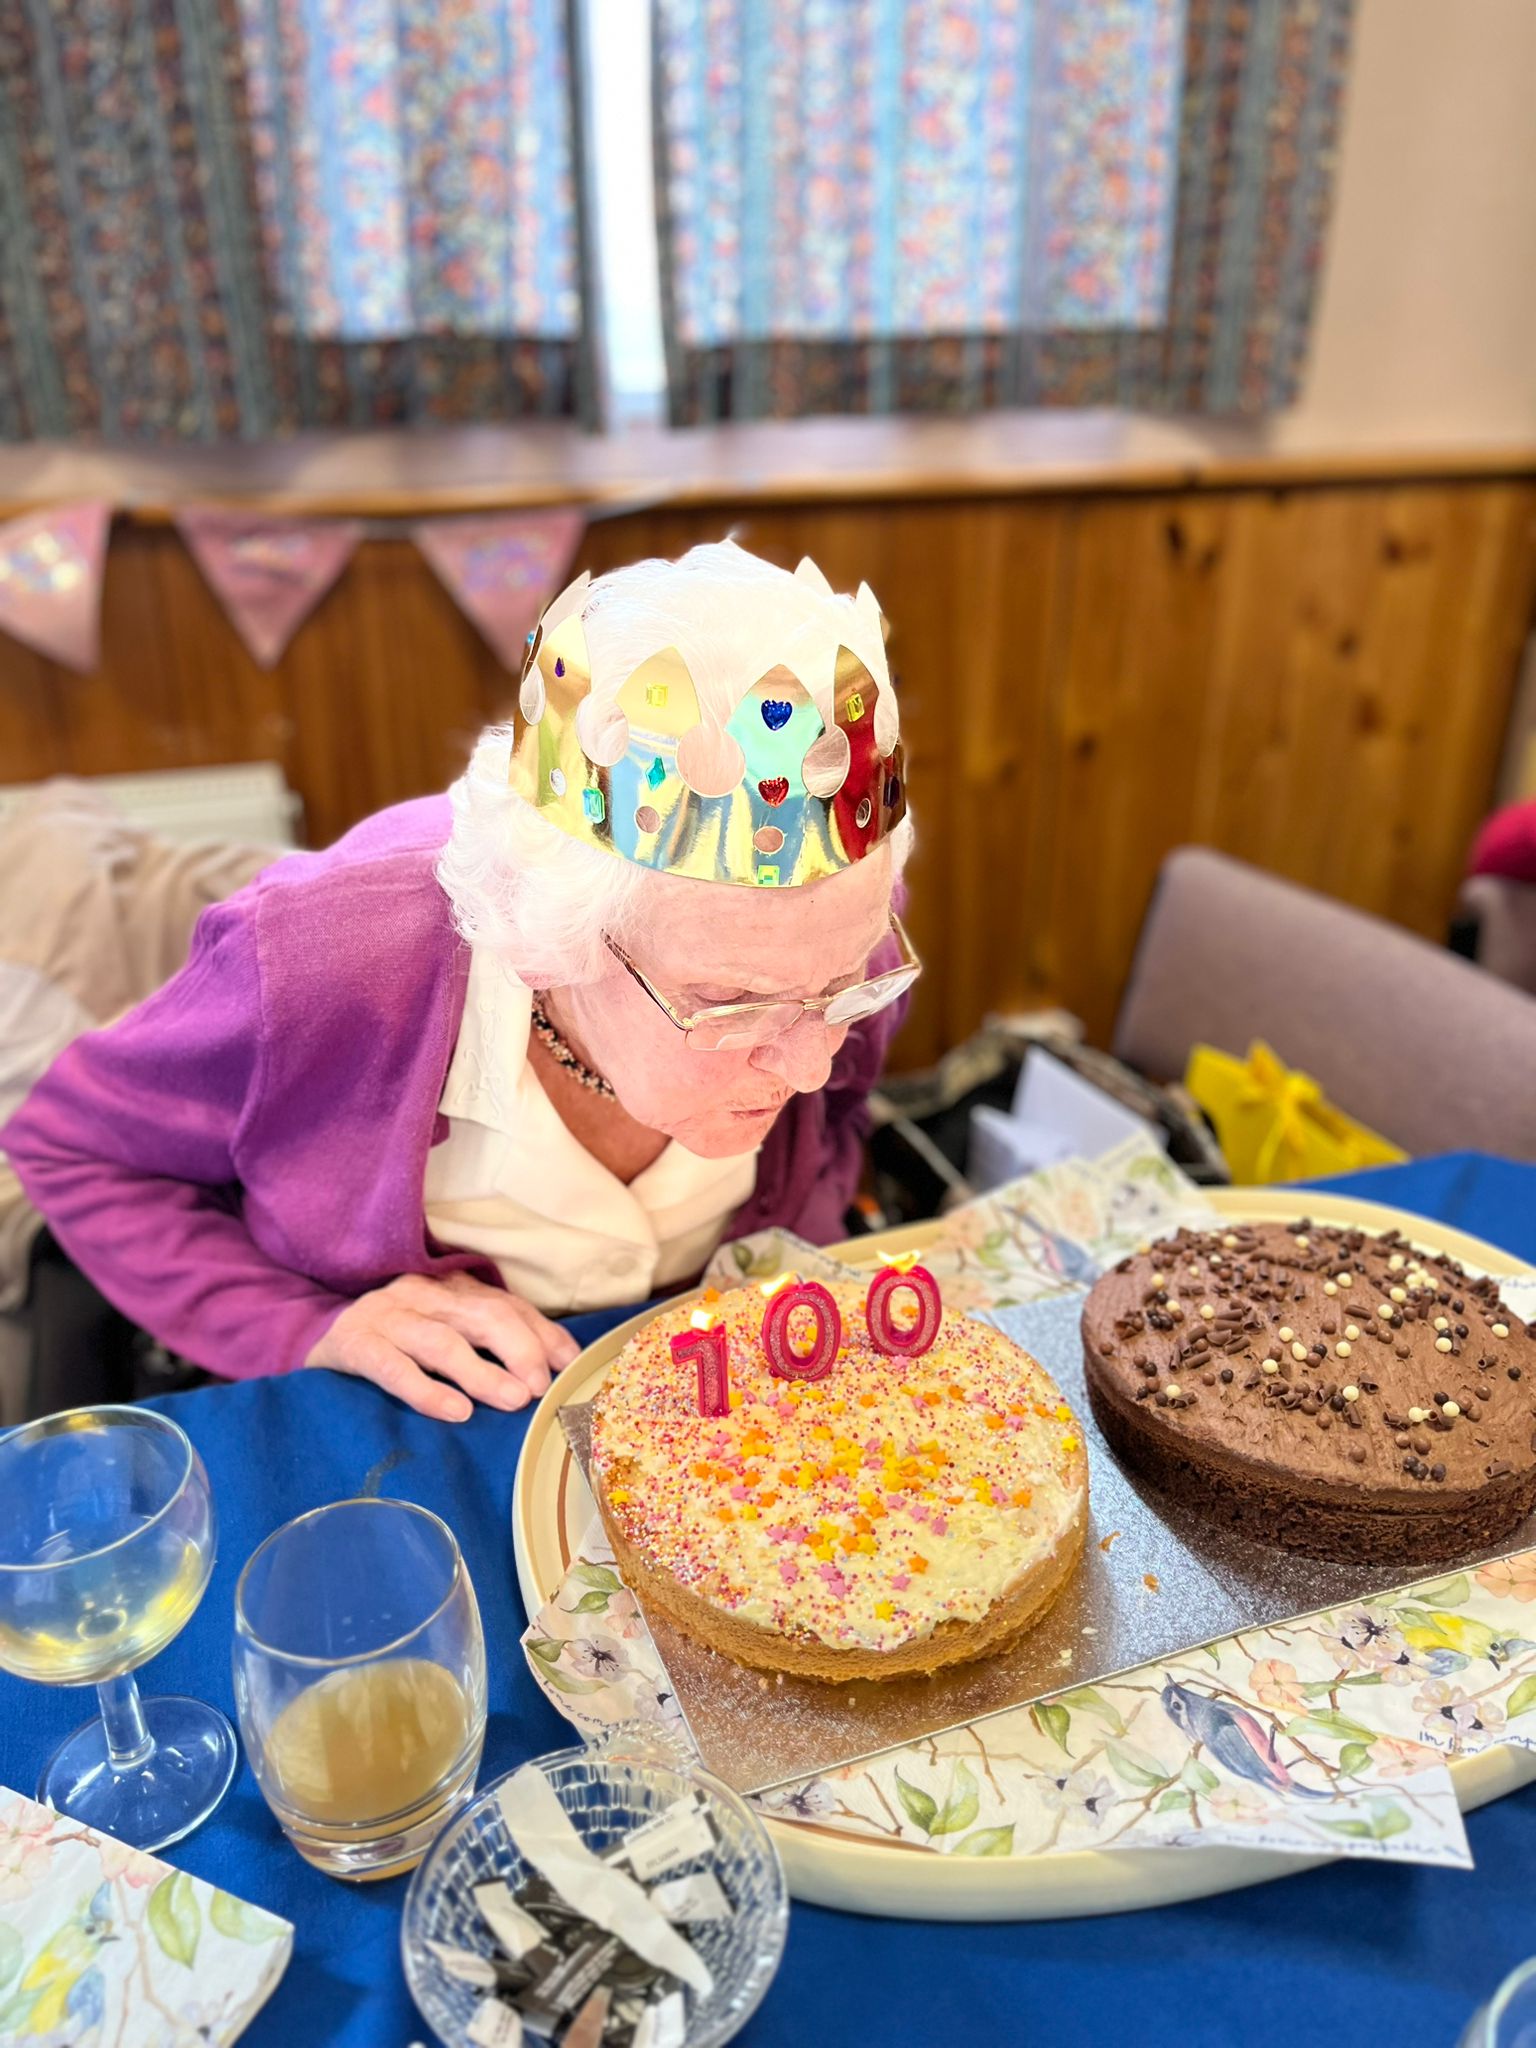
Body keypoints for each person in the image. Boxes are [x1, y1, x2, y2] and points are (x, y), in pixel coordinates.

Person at [2, 542, 918, 1422]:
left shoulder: (829, 914)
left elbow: (832, 1125)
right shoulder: (318, 963)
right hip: (429, 1427)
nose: (808, 1068)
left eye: (842, 991)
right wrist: (311, 1327)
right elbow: (75, 1150)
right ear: (551, 939)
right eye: (736, 1006)